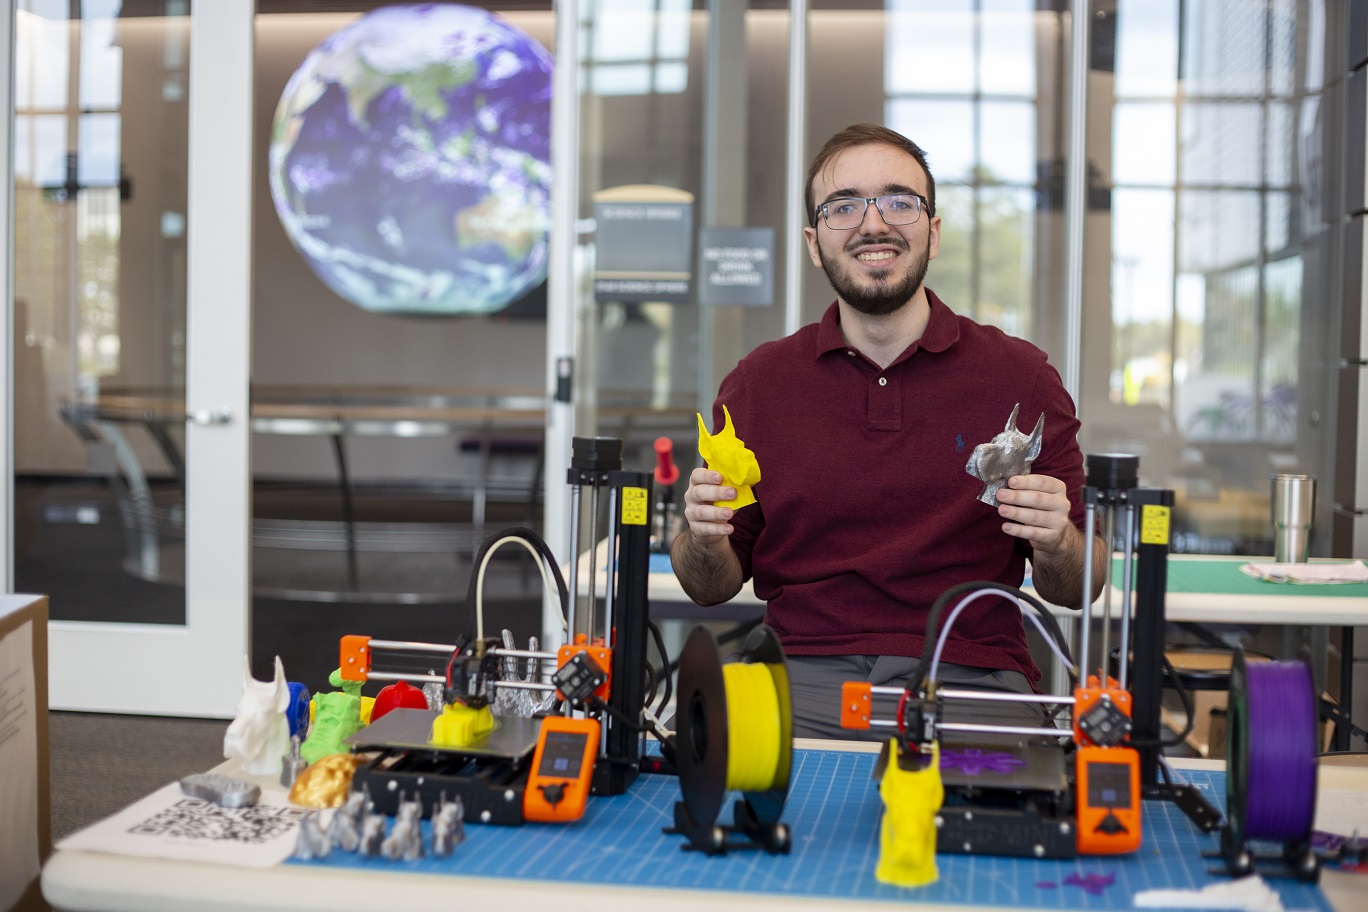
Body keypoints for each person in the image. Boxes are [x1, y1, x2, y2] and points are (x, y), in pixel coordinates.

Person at [670, 123, 1106, 740]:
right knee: (706, 780)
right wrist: (704, 537)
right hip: (799, 677)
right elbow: (708, 587)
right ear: (815, 243)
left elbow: (1081, 585)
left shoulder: (1022, 378)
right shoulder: (757, 384)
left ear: (933, 231)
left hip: (970, 679)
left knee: (1011, 798)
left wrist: (1058, 539)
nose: (873, 224)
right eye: (843, 206)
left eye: (899, 201)